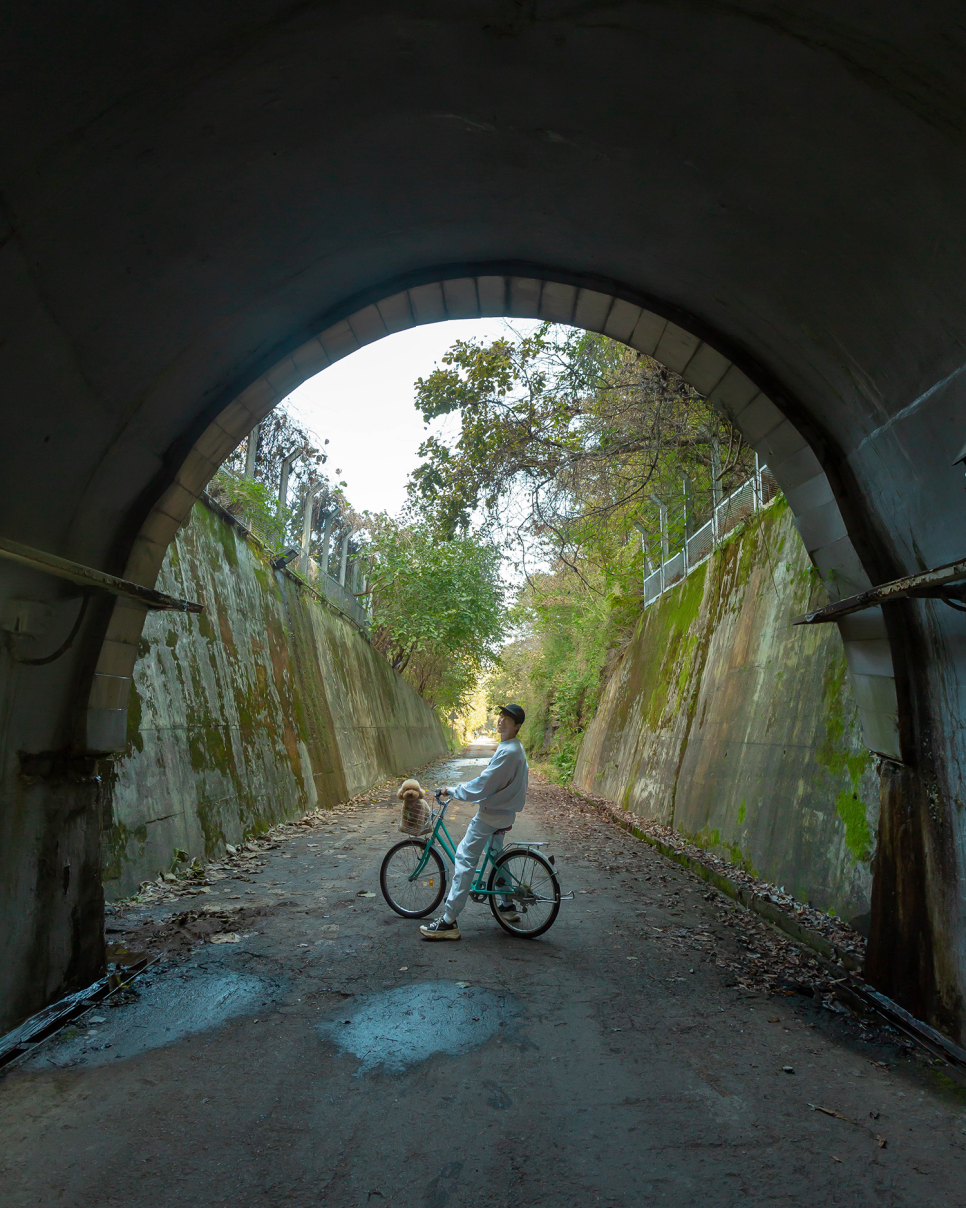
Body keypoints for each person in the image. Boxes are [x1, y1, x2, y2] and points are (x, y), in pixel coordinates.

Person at [420, 704, 529, 940]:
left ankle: (448, 922)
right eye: (501, 716)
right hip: (502, 813)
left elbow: (483, 784)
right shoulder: (512, 747)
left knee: (464, 858)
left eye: (508, 719)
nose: (501, 721)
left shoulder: (510, 752)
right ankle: (507, 904)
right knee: (498, 856)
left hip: (492, 815)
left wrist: (452, 790)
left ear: (517, 726)